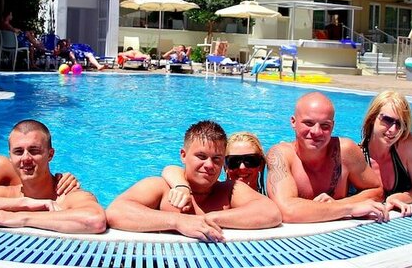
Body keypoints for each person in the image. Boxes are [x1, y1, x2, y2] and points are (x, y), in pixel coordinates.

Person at [106, 121, 281, 241]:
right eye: (201, 156)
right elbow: (116, 211)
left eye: (217, 158)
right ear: (183, 155)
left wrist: (208, 219)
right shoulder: (161, 187)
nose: (209, 165)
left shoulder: (230, 190)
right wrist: (177, 221)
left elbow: (271, 212)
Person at [0, 120, 106, 234]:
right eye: (18, 152)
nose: (26, 158)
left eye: (34, 151)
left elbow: (95, 220)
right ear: (10, 157)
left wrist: (21, 217)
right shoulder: (9, 195)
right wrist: (25, 204)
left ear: (50, 155)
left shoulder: (68, 195)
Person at [266, 92, 388, 223]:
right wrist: (349, 208)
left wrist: (338, 204)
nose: (316, 132)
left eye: (325, 126)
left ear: (332, 126)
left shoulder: (345, 151)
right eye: (308, 123)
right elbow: (287, 211)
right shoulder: (280, 155)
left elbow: (377, 191)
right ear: (293, 122)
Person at [161, 132, 267, 212]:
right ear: (224, 165)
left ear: (261, 165)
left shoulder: (270, 198)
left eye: (250, 160)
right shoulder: (216, 192)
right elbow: (170, 170)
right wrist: (182, 186)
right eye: (234, 161)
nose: (242, 167)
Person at [359, 91, 412, 217]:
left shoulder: (407, 145)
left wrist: (396, 198)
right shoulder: (357, 157)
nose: (393, 130)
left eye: (400, 124)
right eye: (387, 120)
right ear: (372, 118)